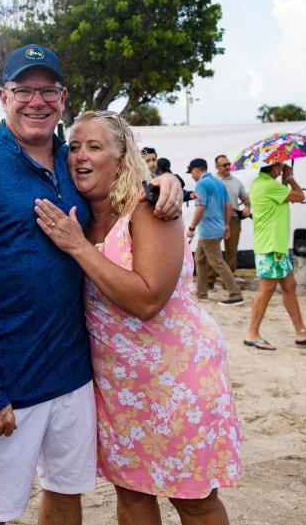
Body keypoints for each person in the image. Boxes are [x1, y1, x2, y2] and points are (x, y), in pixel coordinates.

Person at [0, 44, 184, 525]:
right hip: (3, 380)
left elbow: (125, 183)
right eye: (24, 89)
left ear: (63, 97)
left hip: (71, 376)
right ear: (2, 96)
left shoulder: (74, 164)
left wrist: (165, 181)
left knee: (66, 495)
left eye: (48, 90)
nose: (36, 101)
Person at [33, 111, 241, 525]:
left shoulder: (148, 208)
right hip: (120, 388)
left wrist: (78, 247)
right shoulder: (78, 216)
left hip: (177, 380)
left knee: (193, 499)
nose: (80, 156)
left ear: (122, 156)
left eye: (94, 146)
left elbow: (148, 299)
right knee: (132, 496)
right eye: (73, 147)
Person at [244, 162, 306, 350]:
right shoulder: (269, 185)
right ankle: (252, 333)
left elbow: (283, 197)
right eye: (281, 166)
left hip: (276, 247)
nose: (283, 168)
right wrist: (289, 177)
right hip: (271, 247)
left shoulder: (260, 183)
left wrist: (283, 180)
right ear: (274, 168)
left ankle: (301, 331)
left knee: (289, 286)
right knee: (266, 290)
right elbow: (300, 196)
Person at [187, 158, 244, 306]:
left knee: (217, 262)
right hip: (218, 227)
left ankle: (235, 294)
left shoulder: (201, 184)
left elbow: (201, 207)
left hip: (208, 230)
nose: (191, 176)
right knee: (200, 258)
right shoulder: (219, 182)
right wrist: (225, 224)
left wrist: (192, 227)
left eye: (191, 172)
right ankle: (201, 293)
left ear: (196, 170)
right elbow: (229, 206)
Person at [214, 154, 250, 274]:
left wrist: (247, 207)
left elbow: (245, 199)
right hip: (216, 220)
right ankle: (210, 279)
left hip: (233, 220)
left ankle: (228, 280)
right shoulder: (212, 182)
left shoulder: (236, 182)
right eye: (224, 165)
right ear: (217, 167)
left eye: (228, 164)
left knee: (232, 251)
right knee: (213, 250)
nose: (228, 166)